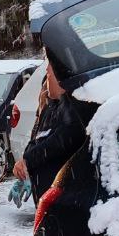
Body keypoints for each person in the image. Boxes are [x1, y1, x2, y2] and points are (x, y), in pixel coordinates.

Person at [13, 61, 86, 203]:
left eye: (48, 74)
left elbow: (59, 140)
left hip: (66, 202)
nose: (45, 83)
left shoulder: (74, 110)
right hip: (46, 201)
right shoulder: (51, 108)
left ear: (62, 77)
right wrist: (25, 166)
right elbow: (37, 140)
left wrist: (28, 161)